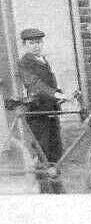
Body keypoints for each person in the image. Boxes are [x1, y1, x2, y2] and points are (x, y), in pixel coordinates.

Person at [17, 27, 70, 192]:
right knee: (42, 153)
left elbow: (50, 85)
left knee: (55, 152)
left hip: (50, 113)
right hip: (38, 114)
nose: (36, 46)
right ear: (24, 45)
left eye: (38, 42)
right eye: (31, 43)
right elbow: (35, 84)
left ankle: (57, 189)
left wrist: (62, 95)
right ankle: (46, 191)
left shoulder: (43, 61)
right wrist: (56, 94)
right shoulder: (25, 62)